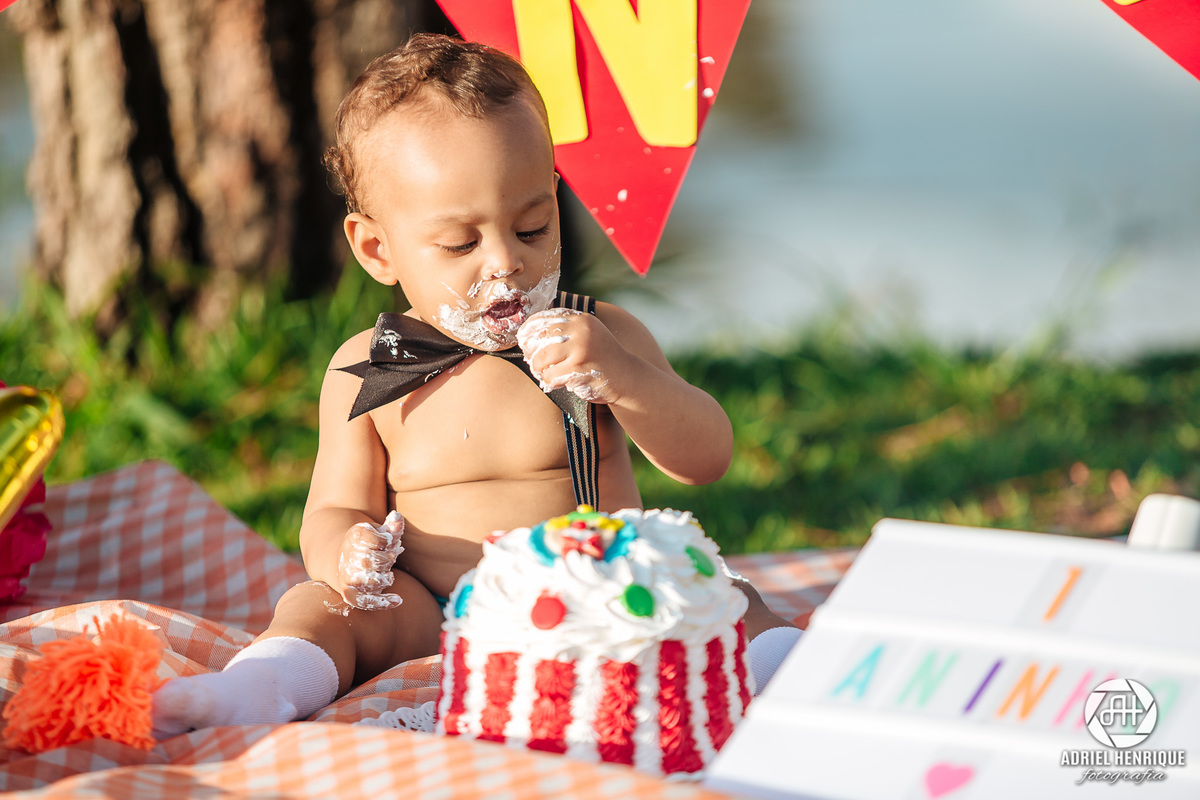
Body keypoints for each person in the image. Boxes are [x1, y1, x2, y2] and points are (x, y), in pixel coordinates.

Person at [152, 33, 800, 735]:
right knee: (319, 605)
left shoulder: (602, 335)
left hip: (600, 596)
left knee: (722, 594)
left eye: (532, 228)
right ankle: (261, 685)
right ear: (377, 248)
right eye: (461, 243)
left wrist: (625, 378)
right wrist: (349, 551)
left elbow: (706, 458)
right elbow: (333, 508)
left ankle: (802, 681)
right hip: (432, 616)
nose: (504, 262)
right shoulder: (369, 369)